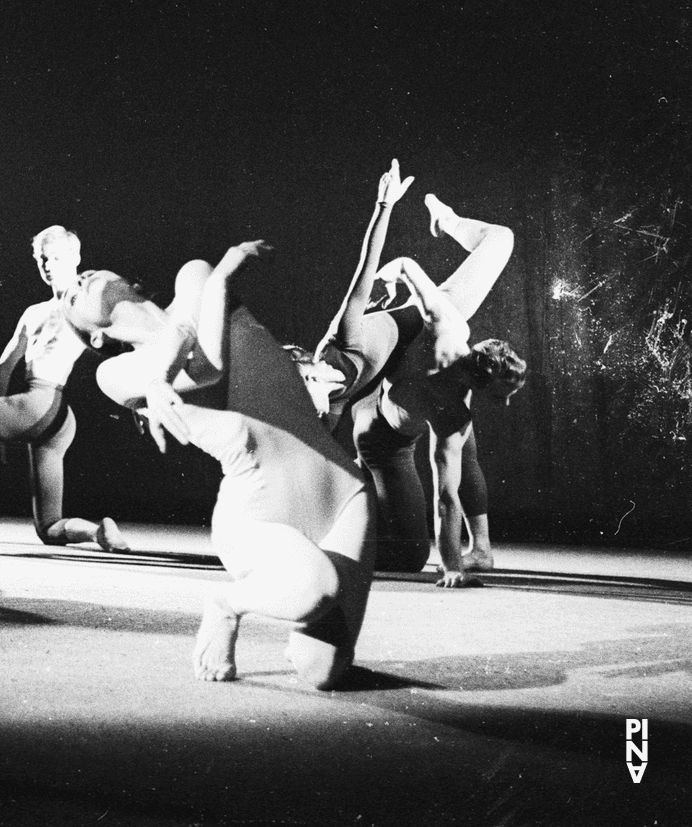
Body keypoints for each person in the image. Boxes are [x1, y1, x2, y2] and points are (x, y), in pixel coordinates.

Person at [63, 243, 375, 690]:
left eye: (87, 271)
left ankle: (296, 606)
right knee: (316, 589)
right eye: (72, 297)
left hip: (343, 490)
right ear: (95, 338)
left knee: (322, 670)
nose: (81, 279)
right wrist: (156, 378)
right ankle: (225, 604)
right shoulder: (113, 374)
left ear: (131, 282)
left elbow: (191, 332)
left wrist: (220, 278)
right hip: (260, 507)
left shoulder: (194, 275)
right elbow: (208, 369)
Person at [309, 178, 525, 584]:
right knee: (408, 556)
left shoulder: (353, 343)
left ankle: (479, 549)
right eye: (506, 393)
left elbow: (446, 496)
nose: (509, 403)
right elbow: (314, 455)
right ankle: (348, 532)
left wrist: (452, 568)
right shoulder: (336, 392)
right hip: (382, 435)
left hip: (413, 345)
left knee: (500, 238)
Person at [0, 226, 128, 551]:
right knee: (48, 527)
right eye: (42, 259)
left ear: (75, 257)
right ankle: (98, 534)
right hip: (53, 420)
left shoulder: (87, 304)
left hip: (45, 401)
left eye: (56, 257)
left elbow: (124, 338)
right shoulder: (33, 313)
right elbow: (3, 368)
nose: (49, 265)